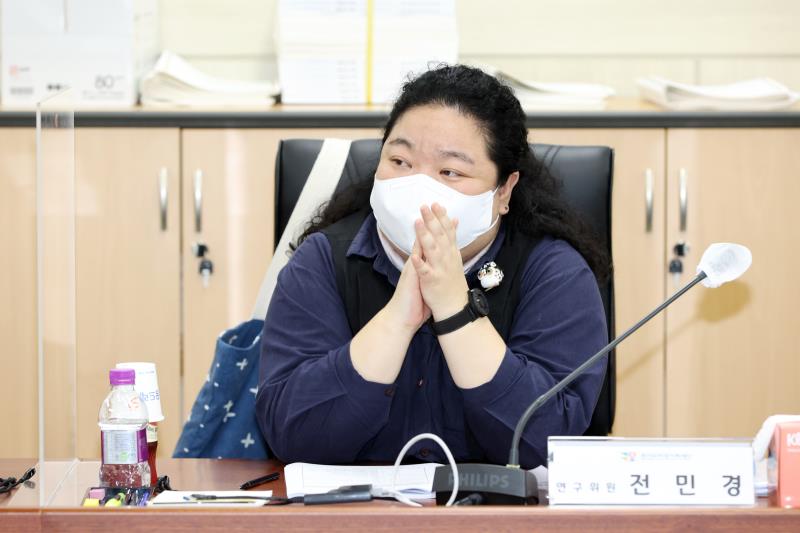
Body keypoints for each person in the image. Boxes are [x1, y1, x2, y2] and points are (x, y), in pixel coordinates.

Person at [256, 64, 611, 469]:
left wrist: (456, 311)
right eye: (400, 161)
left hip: (498, 507)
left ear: (504, 191)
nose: (418, 188)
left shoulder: (554, 272)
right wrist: (396, 321)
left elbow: (543, 443)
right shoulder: (321, 260)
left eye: (450, 172)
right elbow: (292, 437)